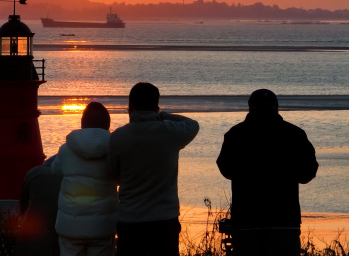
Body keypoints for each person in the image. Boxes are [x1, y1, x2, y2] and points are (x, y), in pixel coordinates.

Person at [216, 89, 318, 256]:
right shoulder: (294, 134)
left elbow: (226, 169)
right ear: (276, 107)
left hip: (246, 220)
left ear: (250, 107)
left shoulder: (235, 134)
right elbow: (308, 172)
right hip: (284, 220)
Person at [108, 82, 199, 256]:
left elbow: (114, 174)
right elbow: (192, 124)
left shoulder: (118, 137)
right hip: (164, 220)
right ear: (156, 108)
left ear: (130, 106)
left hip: (130, 220)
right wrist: (162, 115)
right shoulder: (170, 132)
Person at [52, 102, 118, 256]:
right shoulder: (114, 149)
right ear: (107, 124)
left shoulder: (66, 149)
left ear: (83, 122)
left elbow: (55, 170)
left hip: (70, 227)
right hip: (102, 227)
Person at [15, 155, 63, 256]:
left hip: (30, 231)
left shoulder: (34, 172)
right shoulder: (71, 175)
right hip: (59, 232)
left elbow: (23, 204)